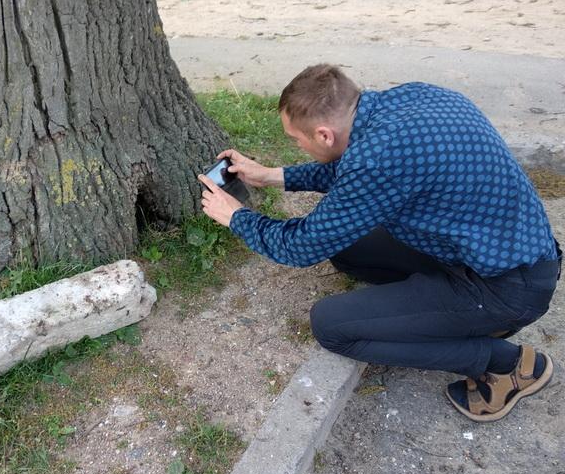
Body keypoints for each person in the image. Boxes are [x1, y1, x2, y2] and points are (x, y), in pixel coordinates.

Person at [198, 64, 561, 423]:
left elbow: (299, 247)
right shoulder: (413, 97)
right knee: (347, 247)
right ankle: (450, 317)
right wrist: (271, 176)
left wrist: (235, 216)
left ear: (324, 135)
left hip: (506, 288)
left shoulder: (376, 161)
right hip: (496, 252)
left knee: (331, 326)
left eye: (296, 139)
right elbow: (350, 171)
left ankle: (504, 364)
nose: (296, 145)